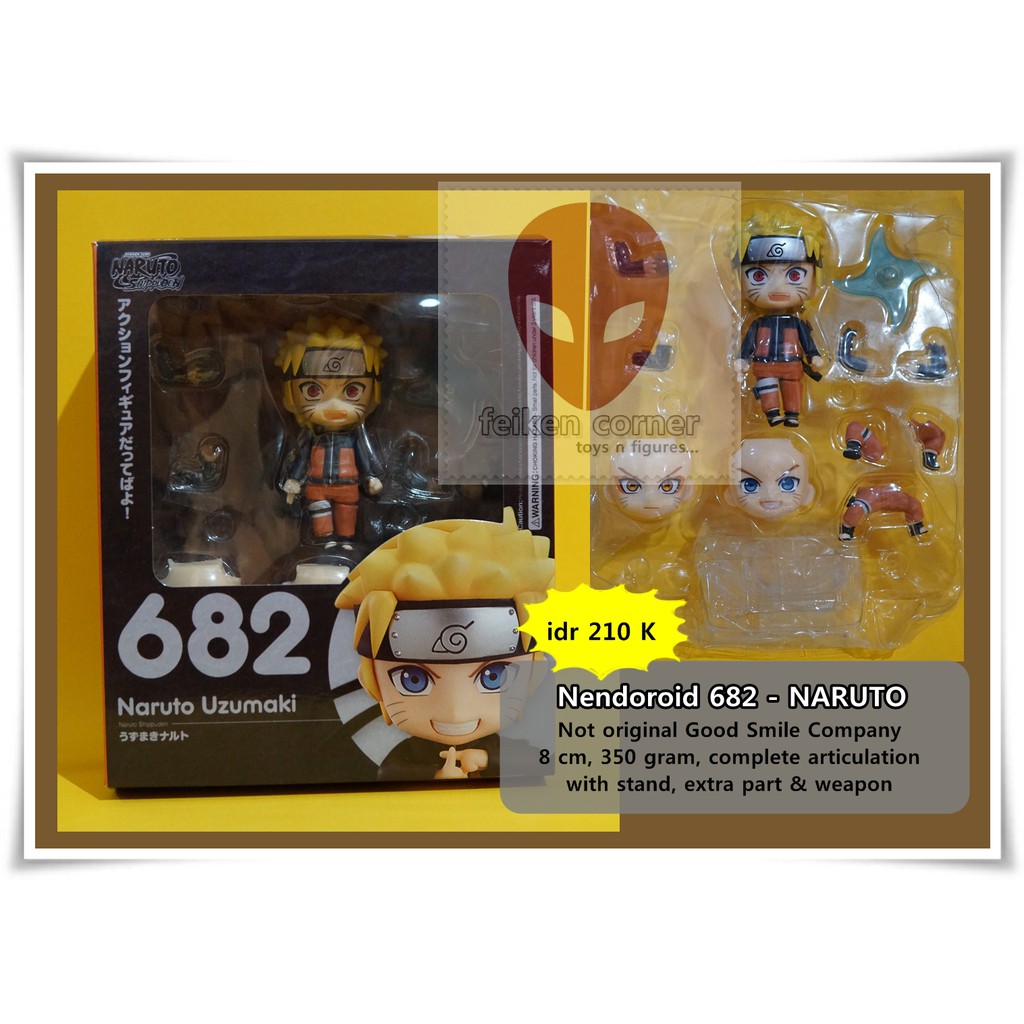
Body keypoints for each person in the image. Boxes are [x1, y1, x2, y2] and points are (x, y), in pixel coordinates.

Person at [334, 509, 554, 780]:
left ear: (535, 673)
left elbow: (541, 762)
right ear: (370, 680)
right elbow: (389, 774)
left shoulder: (502, 748)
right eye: (413, 680)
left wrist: (488, 759)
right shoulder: (409, 755)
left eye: (495, 676)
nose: (455, 710)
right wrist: (435, 776)